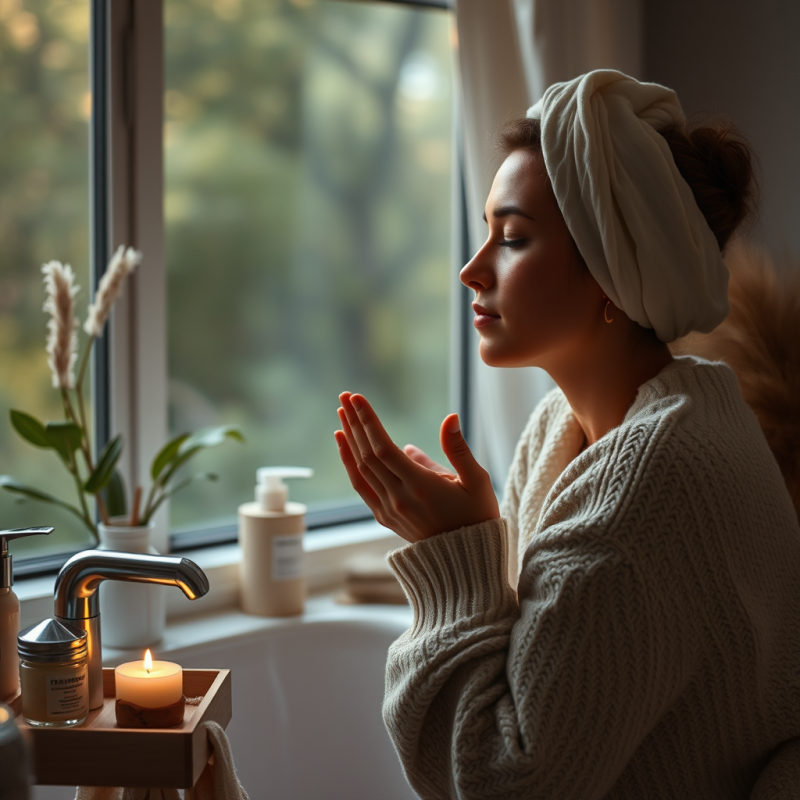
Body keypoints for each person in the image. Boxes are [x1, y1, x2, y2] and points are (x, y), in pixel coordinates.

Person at [334, 70, 800, 799]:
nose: (471, 269)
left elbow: (501, 783)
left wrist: (453, 556)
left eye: (512, 239)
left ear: (612, 275)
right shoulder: (576, 424)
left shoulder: (653, 484)